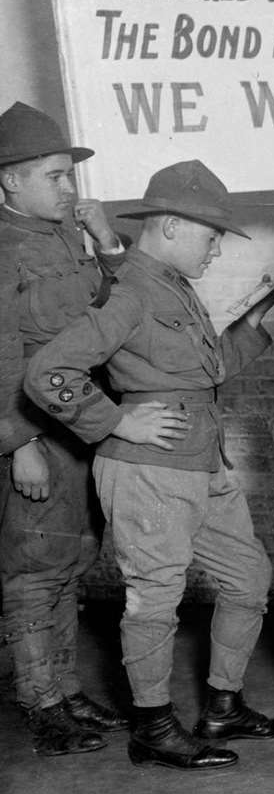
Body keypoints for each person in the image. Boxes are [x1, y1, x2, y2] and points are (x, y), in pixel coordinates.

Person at [25, 160, 274, 773]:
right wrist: (115, 420)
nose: (216, 248)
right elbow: (49, 373)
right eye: (210, 235)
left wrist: (251, 321)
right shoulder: (132, 293)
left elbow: (205, 373)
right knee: (155, 598)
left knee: (248, 579)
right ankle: (152, 726)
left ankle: (223, 707)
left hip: (200, 464)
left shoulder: (173, 286)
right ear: (171, 225)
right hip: (149, 471)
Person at [0, 102, 128, 756]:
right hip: (35, 433)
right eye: (54, 175)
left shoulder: (59, 235)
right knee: (34, 570)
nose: (68, 187)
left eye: (67, 174)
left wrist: (105, 243)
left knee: (71, 564)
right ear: (10, 181)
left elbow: (111, 309)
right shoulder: (3, 244)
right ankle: (41, 703)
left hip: (79, 422)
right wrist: (18, 443)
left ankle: (68, 689)